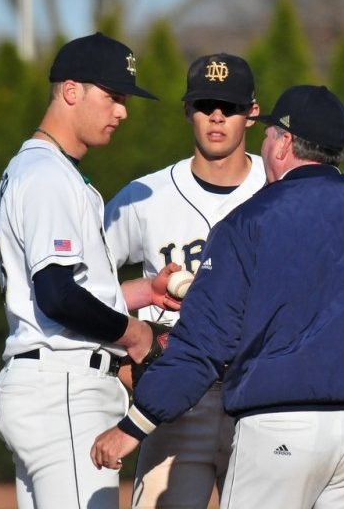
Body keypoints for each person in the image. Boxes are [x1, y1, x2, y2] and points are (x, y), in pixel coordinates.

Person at [91, 84, 344, 508]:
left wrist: (134, 426)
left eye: (268, 135)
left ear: (284, 143)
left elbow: (203, 344)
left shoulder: (247, 222)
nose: (263, 144)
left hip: (280, 430)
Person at [0, 33, 161, 509]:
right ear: (70, 91)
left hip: (49, 384)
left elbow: (75, 293)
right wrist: (135, 335)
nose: (122, 112)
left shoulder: (44, 171)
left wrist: (145, 291)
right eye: (113, 97)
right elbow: (58, 296)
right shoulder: (46, 175)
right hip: (64, 389)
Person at [103, 52, 266, 508]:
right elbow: (85, 289)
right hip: (170, 400)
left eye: (229, 106)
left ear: (252, 113)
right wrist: (119, 355)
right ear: (187, 110)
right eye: (205, 104)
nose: (217, 116)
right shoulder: (143, 196)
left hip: (255, 397)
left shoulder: (278, 193)